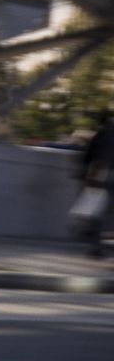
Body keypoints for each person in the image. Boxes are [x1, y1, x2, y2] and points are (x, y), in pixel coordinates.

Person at [73, 111, 114, 258]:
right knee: (101, 210)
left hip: (99, 171)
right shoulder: (107, 134)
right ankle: (92, 239)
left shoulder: (102, 133)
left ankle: (92, 242)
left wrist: (82, 172)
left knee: (94, 209)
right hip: (106, 172)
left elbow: (88, 154)